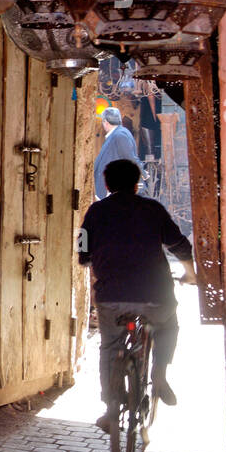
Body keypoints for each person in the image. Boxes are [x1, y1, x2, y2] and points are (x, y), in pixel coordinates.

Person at [78, 159, 196, 433]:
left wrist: (89, 259)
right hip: (155, 295)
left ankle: (111, 409)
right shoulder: (152, 209)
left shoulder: (95, 212)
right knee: (169, 325)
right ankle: (160, 373)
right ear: (136, 184)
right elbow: (180, 244)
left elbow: (82, 249)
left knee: (109, 346)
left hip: (111, 298)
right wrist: (190, 273)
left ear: (106, 184)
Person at [94, 106, 139, 200]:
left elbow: (130, 158)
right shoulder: (113, 136)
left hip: (113, 189)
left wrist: (143, 174)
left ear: (106, 122)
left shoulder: (120, 136)